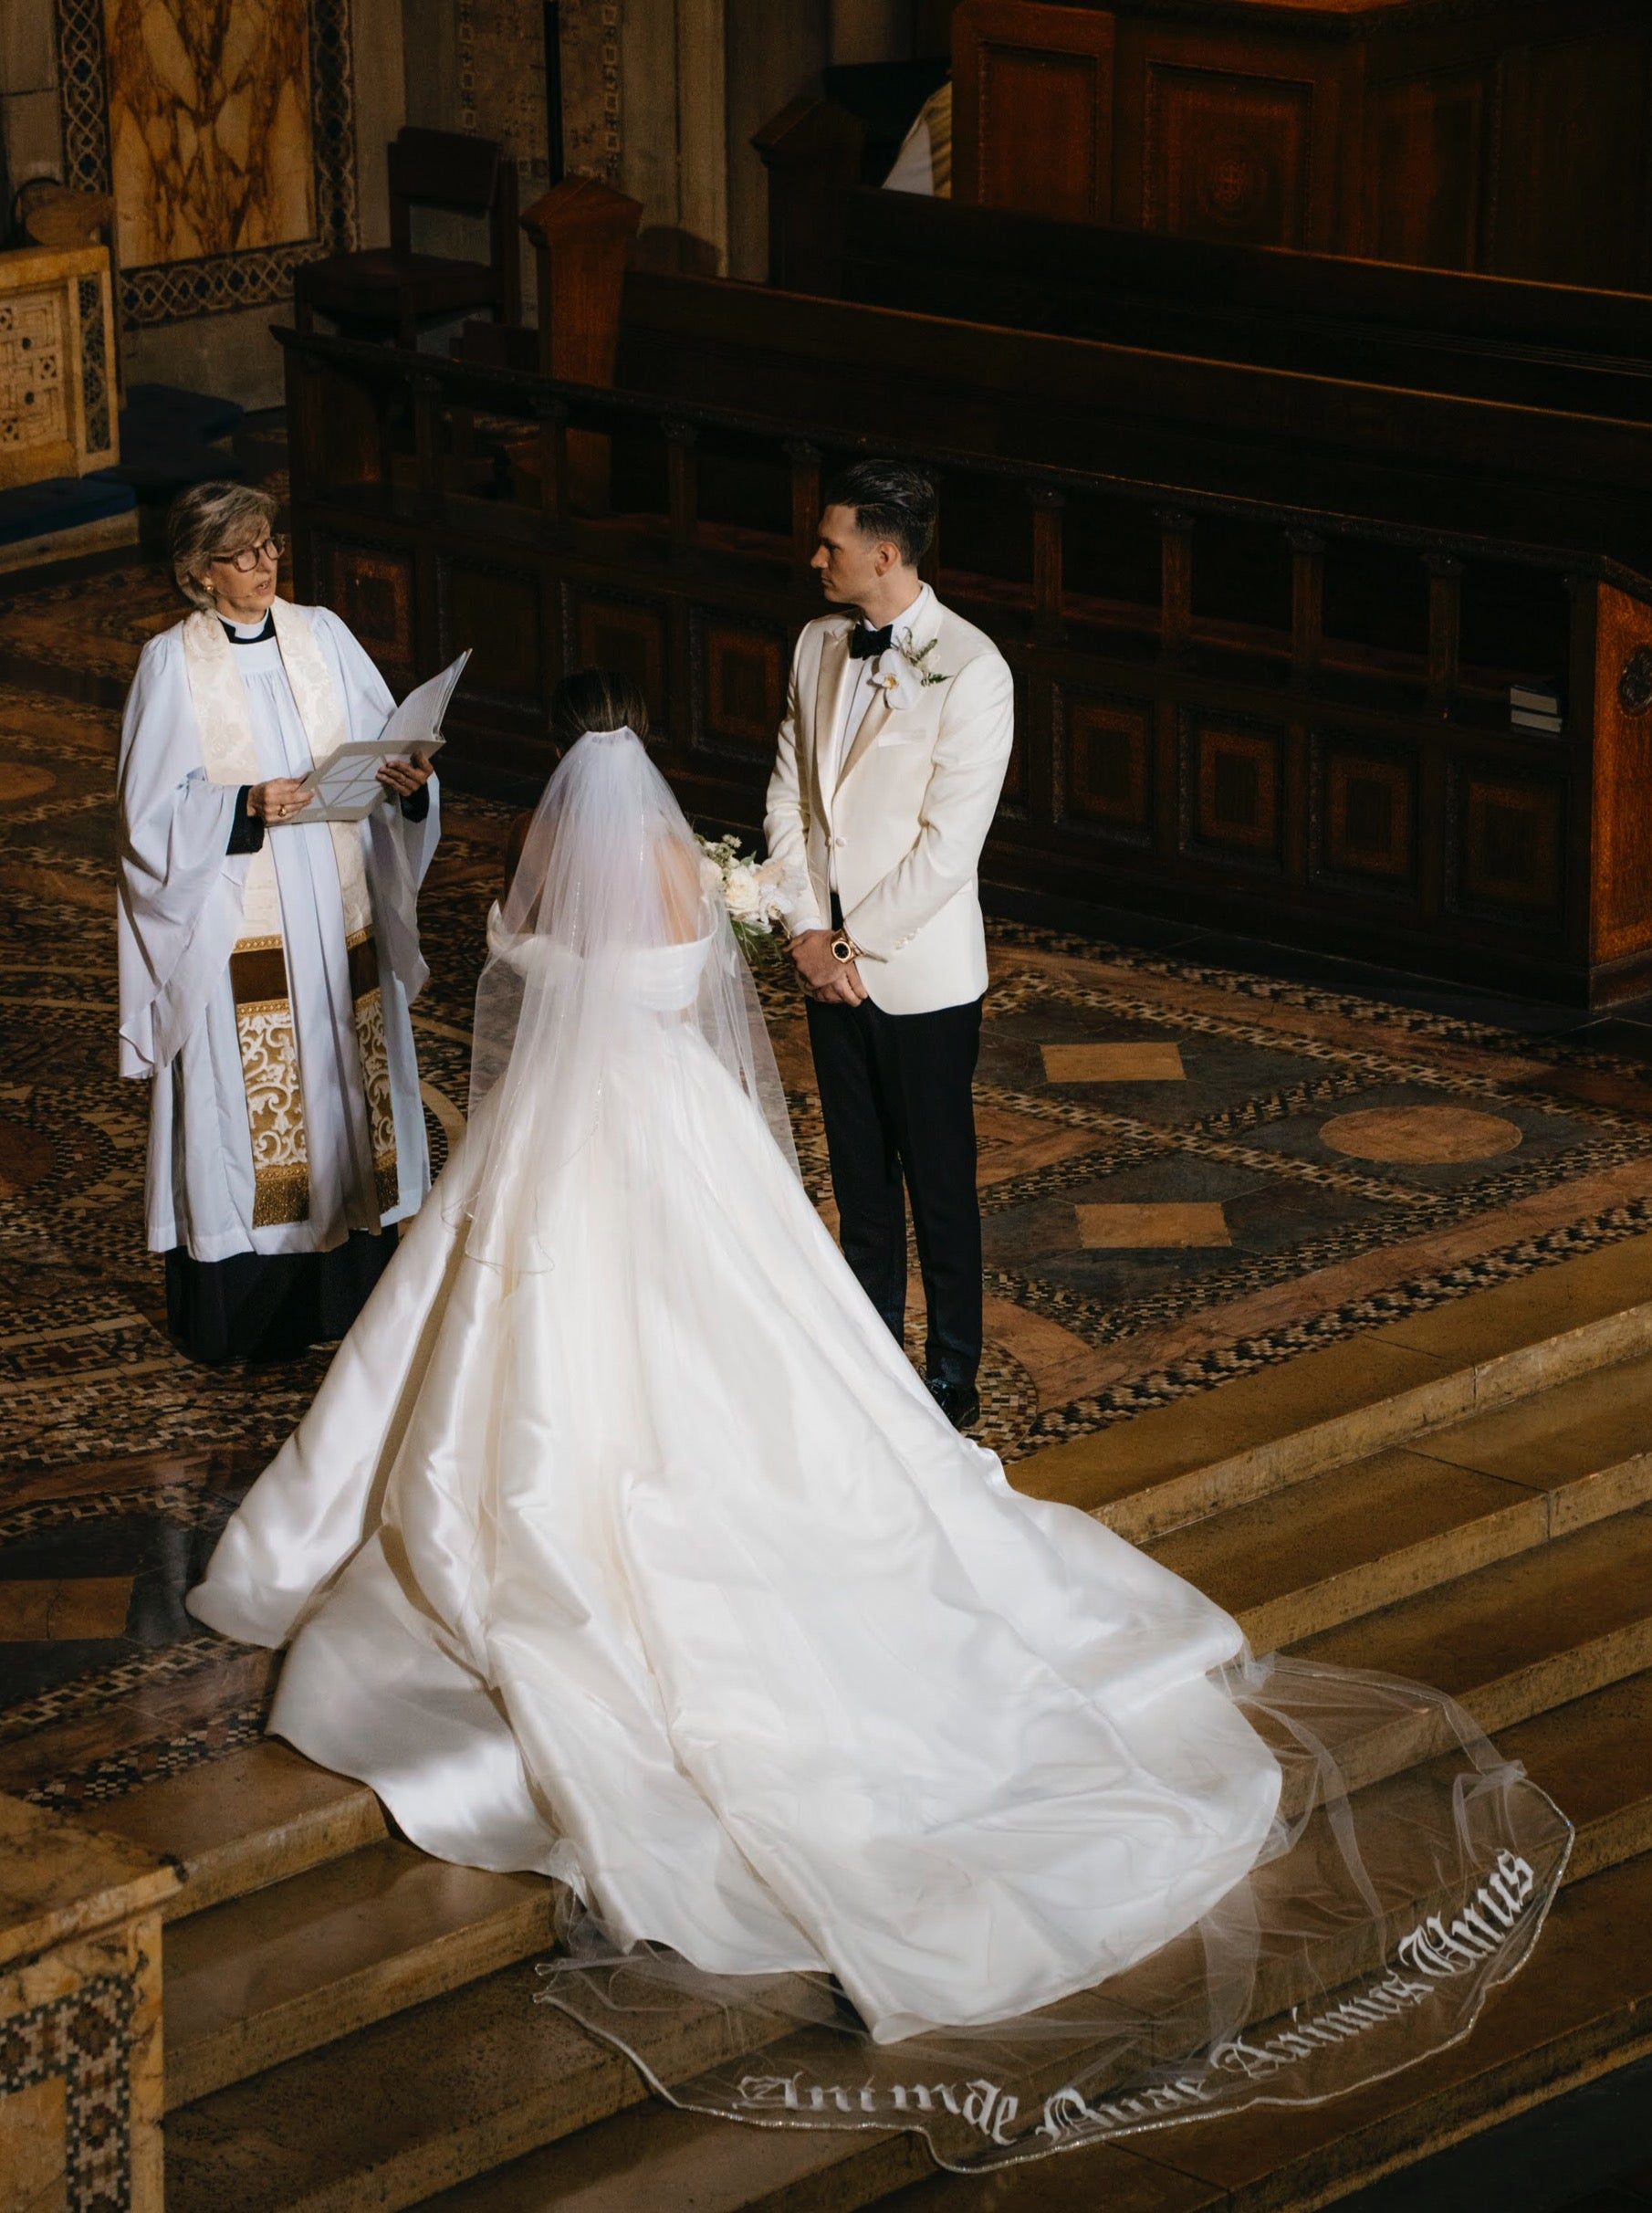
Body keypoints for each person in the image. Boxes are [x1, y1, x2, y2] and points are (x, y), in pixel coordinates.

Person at [185, 670, 1567, 2174]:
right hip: (685, 1147)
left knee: (501, 1367)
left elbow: (518, 991)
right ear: (641, 752)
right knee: (786, 1360)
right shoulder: (667, 875)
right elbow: (697, 1001)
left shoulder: (532, 871)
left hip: (547, 1156)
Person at [117, 481, 440, 1363]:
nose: (264, 566)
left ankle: (352, 1292)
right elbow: (148, 818)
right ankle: (256, 1310)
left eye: (270, 547)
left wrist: (408, 784)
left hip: (338, 903)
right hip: (238, 913)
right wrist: (242, 804)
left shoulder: (323, 635)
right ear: (197, 572)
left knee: (346, 1082)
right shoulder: (171, 663)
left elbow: (386, 743)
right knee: (248, 1105)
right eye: (242, 554)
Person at [766, 459, 1012, 1432]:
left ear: (883, 553)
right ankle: (871, 1361)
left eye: (829, 543)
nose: (813, 557)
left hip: (914, 974)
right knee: (859, 1185)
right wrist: (803, 932)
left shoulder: (973, 667)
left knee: (939, 1185)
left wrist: (853, 948)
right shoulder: (817, 643)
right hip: (824, 963)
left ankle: (952, 1369)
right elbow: (788, 794)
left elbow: (950, 847)